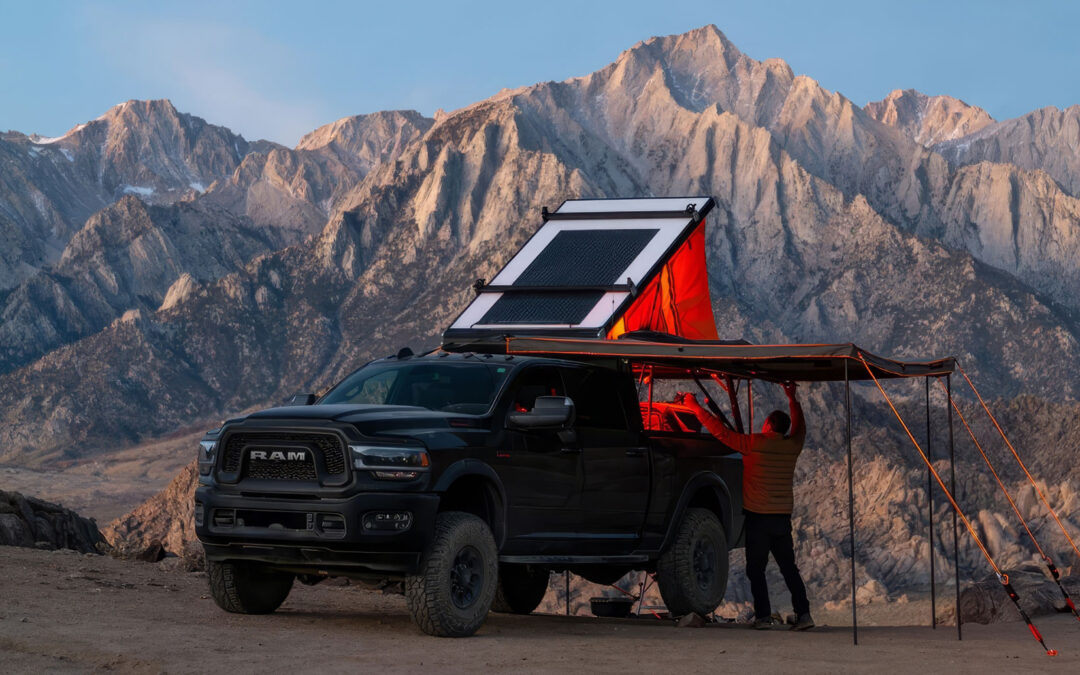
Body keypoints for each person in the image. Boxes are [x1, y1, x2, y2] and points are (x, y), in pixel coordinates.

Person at [675, 382, 814, 631]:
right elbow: (800, 427)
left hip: (758, 518)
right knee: (789, 568)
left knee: (756, 569)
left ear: (769, 425)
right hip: (782, 519)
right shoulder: (792, 446)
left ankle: (762, 617)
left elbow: (719, 432)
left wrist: (694, 406)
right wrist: (793, 399)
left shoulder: (754, 443)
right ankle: (803, 614)